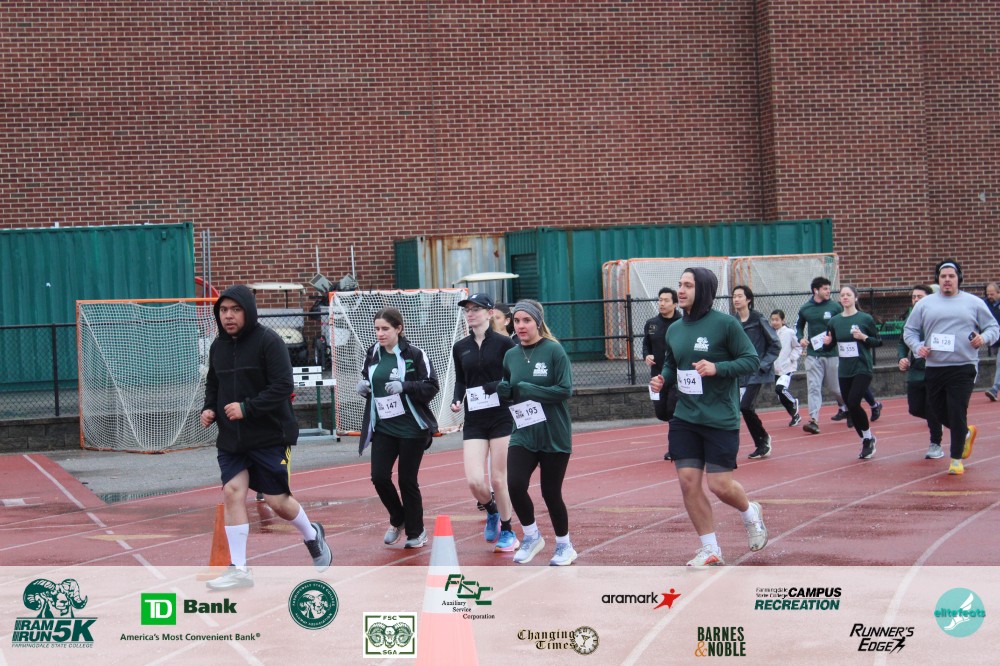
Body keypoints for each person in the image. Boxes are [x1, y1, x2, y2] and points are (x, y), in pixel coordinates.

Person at [200, 285, 331, 590]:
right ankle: (239, 569)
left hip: (270, 434)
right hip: (232, 439)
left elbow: (283, 386)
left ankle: (312, 534)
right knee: (233, 491)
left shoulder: (268, 342)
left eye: (235, 310)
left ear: (248, 311)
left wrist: (247, 408)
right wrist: (209, 408)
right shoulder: (218, 346)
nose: (228, 316)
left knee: (277, 501)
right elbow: (213, 384)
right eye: (223, 310)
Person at [650, 268, 767, 567]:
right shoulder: (675, 329)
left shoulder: (725, 324)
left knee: (719, 485)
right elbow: (672, 363)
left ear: (703, 289)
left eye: (688, 285)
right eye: (680, 284)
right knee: (688, 482)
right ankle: (710, 548)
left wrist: (718, 368)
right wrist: (663, 379)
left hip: (719, 416)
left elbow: (751, 360)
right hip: (685, 416)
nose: (681, 290)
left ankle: (750, 512)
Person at [496, 300, 576, 565]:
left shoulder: (554, 351)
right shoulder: (511, 355)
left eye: (526, 320)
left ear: (538, 322)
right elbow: (510, 387)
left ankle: (564, 546)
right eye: (517, 321)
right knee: (515, 484)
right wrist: (504, 391)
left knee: (551, 493)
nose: (521, 326)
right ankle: (531, 536)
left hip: (553, 432)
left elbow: (564, 390)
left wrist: (532, 390)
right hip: (523, 431)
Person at [903, 260, 999, 475]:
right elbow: (909, 331)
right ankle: (965, 433)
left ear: (959, 278)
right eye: (943, 276)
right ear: (938, 279)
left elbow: (993, 327)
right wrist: (918, 347)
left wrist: (983, 338)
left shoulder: (973, 302)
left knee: (957, 410)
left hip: (963, 365)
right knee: (936, 411)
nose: (947, 280)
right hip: (935, 366)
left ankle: (956, 459)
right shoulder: (925, 304)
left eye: (951, 276)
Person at [357, 307, 440, 548]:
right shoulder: (373, 353)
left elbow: (431, 387)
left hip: (412, 428)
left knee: (407, 481)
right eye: (377, 329)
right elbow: (369, 379)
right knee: (379, 477)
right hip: (384, 426)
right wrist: (363, 386)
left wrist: (405, 386)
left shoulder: (415, 354)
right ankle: (398, 518)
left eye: (385, 329)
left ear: (398, 329)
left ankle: (417, 532)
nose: (380, 334)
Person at [450, 293, 519, 553]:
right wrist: (456, 399)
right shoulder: (461, 347)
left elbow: (514, 378)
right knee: (475, 481)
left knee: (499, 480)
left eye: (476, 309)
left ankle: (508, 530)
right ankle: (491, 510)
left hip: (501, 416)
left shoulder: (505, 344)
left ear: (490, 313)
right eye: (467, 309)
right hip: (475, 419)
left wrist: (495, 386)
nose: (470, 313)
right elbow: (461, 380)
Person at [821, 285, 883, 460]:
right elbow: (830, 346)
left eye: (848, 294)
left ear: (856, 298)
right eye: (842, 295)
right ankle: (866, 439)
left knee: (854, 402)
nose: (845, 297)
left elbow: (878, 341)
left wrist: (864, 337)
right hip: (844, 370)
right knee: (850, 406)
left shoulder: (865, 319)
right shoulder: (834, 321)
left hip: (862, 367)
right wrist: (827, 343)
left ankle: (867, 439)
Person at [731, 286, 780, 459]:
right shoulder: (732, 322)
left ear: (748, 299)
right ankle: (761, 442)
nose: (736, 299)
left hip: (757, 371)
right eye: (734, 296)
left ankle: (763, 439)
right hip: (740, 372)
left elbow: (775, 344)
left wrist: (763, 364)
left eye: (740, 296)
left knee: (745, 406)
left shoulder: (758, 319)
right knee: (744, 409)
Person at [897, 285, 944, 459]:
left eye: (920, 297)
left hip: (935, 370)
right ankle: (940, 419)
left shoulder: (938, 317)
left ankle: (935, 444)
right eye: (913, 297)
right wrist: (902, 357)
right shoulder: (910, 320)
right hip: (916, 371)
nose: (916, 300)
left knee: (932, 408)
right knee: (915, 408)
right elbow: (902, 342)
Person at [641, 287, 682, 459]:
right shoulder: (652, 324)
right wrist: (647, 355)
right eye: (660, 300)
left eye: (666, 300)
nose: (662, 303)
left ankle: (675, 449)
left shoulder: (682, 323)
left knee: (672, 410)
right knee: (661, 412)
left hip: (675, 376)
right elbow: (646, 345)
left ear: (675, 303)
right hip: (656, 376)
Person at [770, 309, 802, 427]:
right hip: (775, 369)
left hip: (788, 368)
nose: (774, 322)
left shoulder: (789, 332)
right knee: (780, 396)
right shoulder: (770, 333)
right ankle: (795, 416)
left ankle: (794, 402)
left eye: (777, 320)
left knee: (780, 389)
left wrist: (791, 359)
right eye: (772, 320)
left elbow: (798, 347)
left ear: (782, 321)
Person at [983, 283, 1000, 401]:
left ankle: (995, 388)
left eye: (992, 294)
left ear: (999, 293)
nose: (989, 296)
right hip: (995, 339)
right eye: (988, 294)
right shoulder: (985, 304)